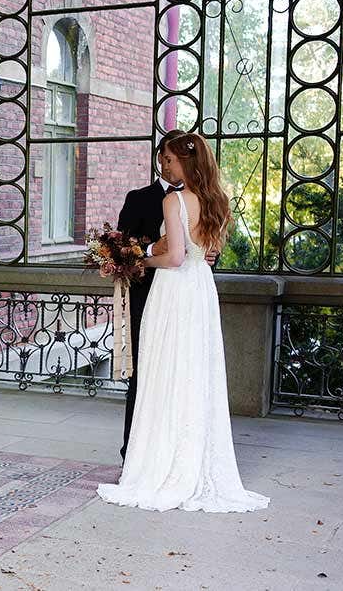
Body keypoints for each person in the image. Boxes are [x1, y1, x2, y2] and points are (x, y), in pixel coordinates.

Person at [97, 133, 269, 512]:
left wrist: (143, 258)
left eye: (170, 159)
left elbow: (175, 258)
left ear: (183, 162)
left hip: (172, 292)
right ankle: (186, 460)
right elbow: (203, 249)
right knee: (193, 373)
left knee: (165, 373)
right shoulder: (215, 200)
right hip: (199, 293)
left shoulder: (173, 201)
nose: (165, 164)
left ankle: (160, 464)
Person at [114, 129, 217, 462]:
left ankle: (175, 455)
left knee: (185, 372)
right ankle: (135, 453)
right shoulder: (139, 198)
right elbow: (119, 250)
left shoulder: (190, 199)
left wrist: (207, 255)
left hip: (183, 294)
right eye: (165, 158)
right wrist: (148, 250)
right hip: (150, 298)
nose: (167, 164)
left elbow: (197, 252)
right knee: (146, 374)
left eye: (173, 158)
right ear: (160, 158)